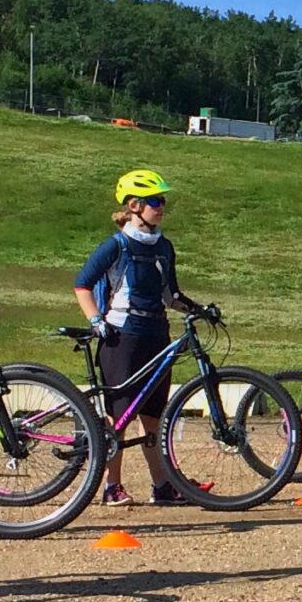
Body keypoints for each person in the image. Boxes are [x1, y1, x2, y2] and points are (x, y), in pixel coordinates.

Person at [74, 169, 197, 505]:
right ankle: (111, 486)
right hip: (121, 336)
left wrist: (197, 309)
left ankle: (161, 486)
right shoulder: (116, 245)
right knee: (120, 416)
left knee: (154, 416)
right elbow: (81, 284)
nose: (162, 207)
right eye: (156, 201)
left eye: (163, 201)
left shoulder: (165, 246)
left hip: (157, 334)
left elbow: (170, 295)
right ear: (133, 205)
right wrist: (95, 319)